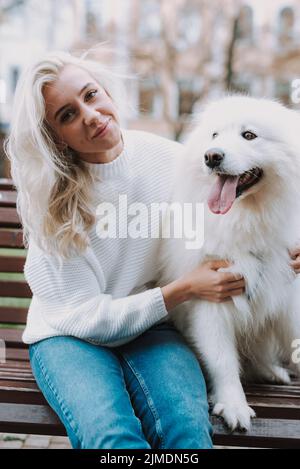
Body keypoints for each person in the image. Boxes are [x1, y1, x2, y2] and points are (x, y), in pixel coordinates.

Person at [5, 49, 300, 450]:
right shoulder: (51, 202)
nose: (90, 115)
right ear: (54, 136)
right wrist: (180, 290)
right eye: (67, 115)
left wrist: (290, 248)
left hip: (152, 329)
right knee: (113, 439)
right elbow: (84, 317)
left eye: (91, 95)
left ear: (107, 92)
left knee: (186, 434)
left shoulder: (174, 160)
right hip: (70, 336)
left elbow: (248, 221)